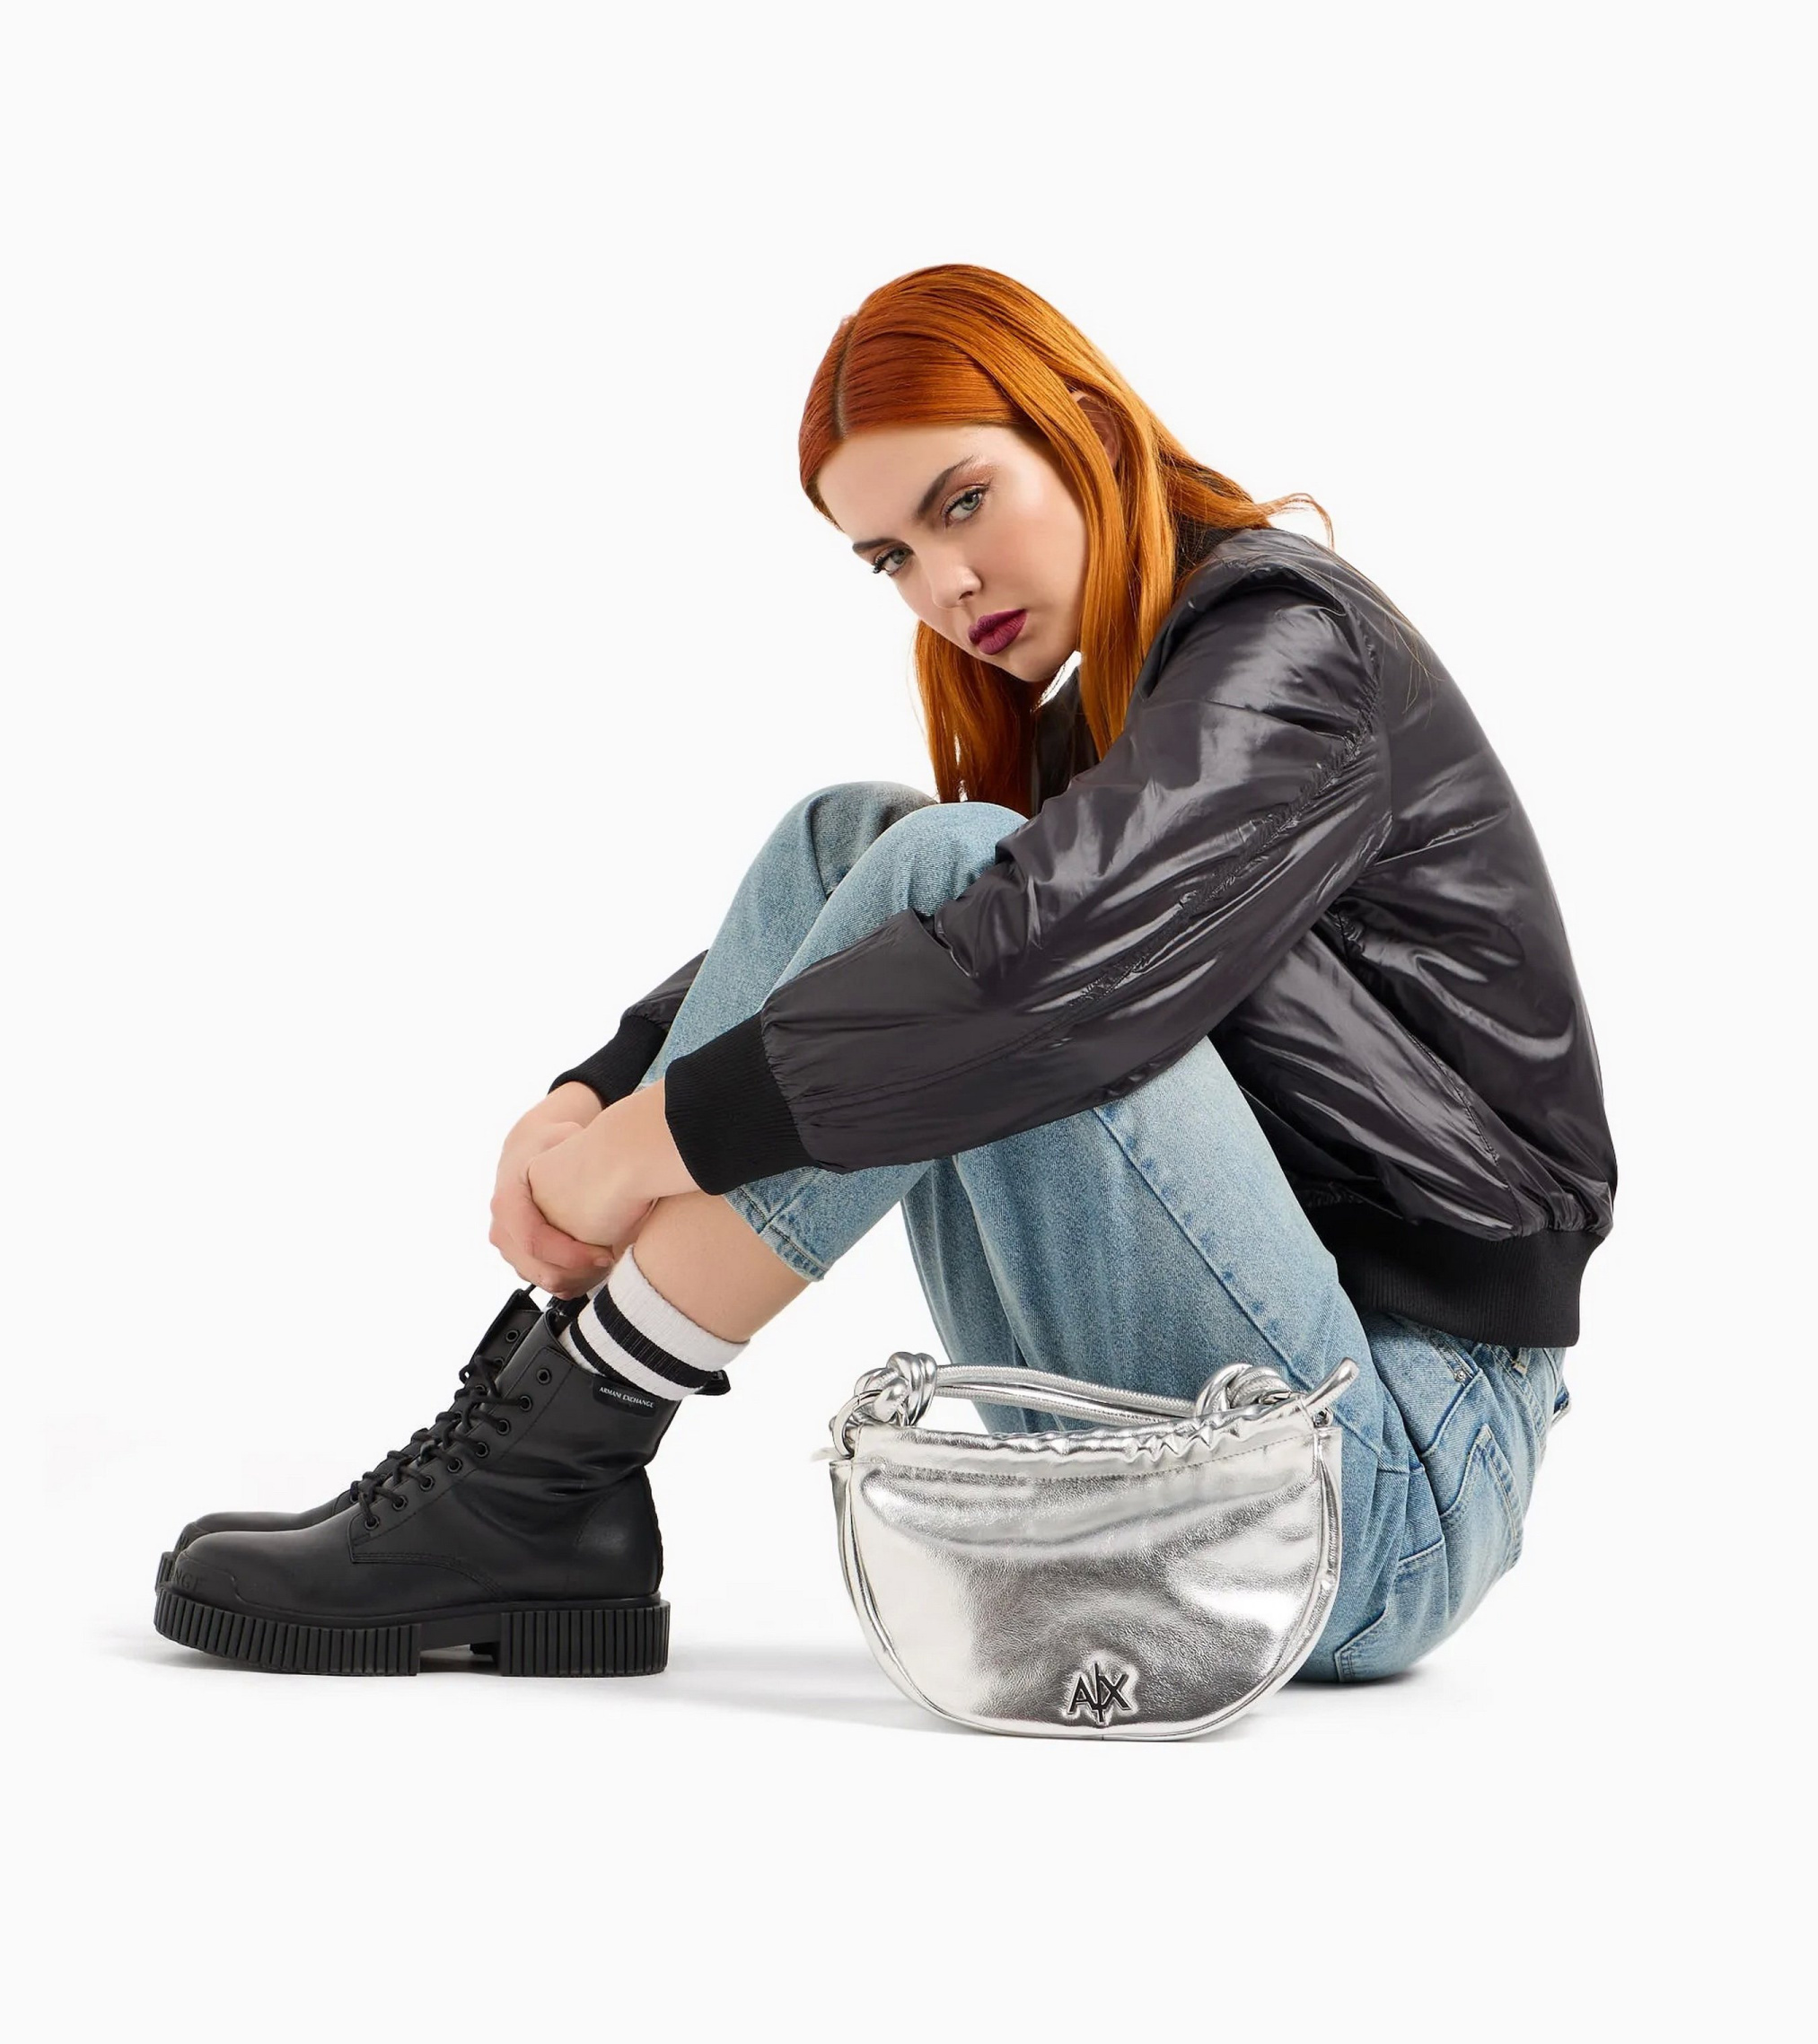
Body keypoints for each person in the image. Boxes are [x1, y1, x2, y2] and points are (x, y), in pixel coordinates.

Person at [155, 261, 1615, 1688]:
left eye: (961, 503)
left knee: (953, 884)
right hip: (1196, 1447)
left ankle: (548, 1469)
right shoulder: (1115, 719)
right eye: (890, 559)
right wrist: (594, 1091)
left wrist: (633, 1157)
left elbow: (1016, 980)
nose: (943, 585)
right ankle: (547, 1475)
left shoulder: (1289, 651)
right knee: (852, 837)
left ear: (1089, 434)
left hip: (1377, 1483)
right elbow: (940, 939)